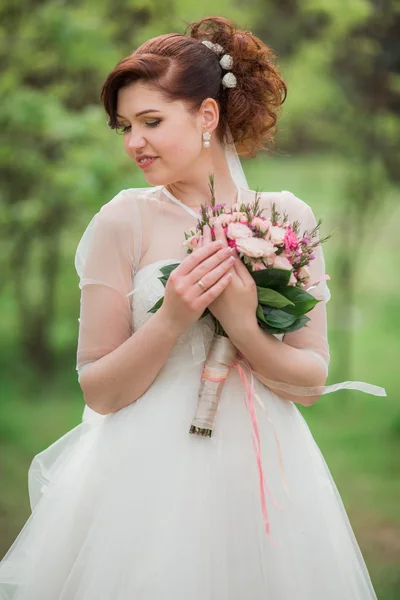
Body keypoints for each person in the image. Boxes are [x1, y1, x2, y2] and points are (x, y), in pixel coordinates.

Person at [0, 15, 385, 600]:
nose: (134, 142)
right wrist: (173, 316)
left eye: (151, 122)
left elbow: (310, 381)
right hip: (146, 477)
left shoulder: (287, 217)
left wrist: (245, 329)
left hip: (266, 475)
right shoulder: (123, 221)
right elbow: (99, 391)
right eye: (125, 126)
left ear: (207, 115)